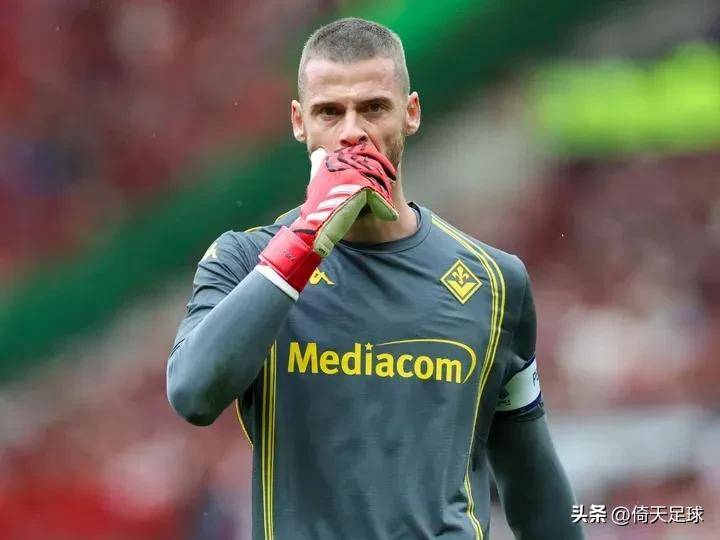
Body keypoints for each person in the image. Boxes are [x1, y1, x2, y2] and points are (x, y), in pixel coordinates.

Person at [167, 17, 583, 540]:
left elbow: (534, 489)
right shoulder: (245, 260)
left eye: (373, 108)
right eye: (329, 112)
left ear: (411, 113)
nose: (352, 132)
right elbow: (193, 395)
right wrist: (304, 242)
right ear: (299, 122)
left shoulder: (497, 282)